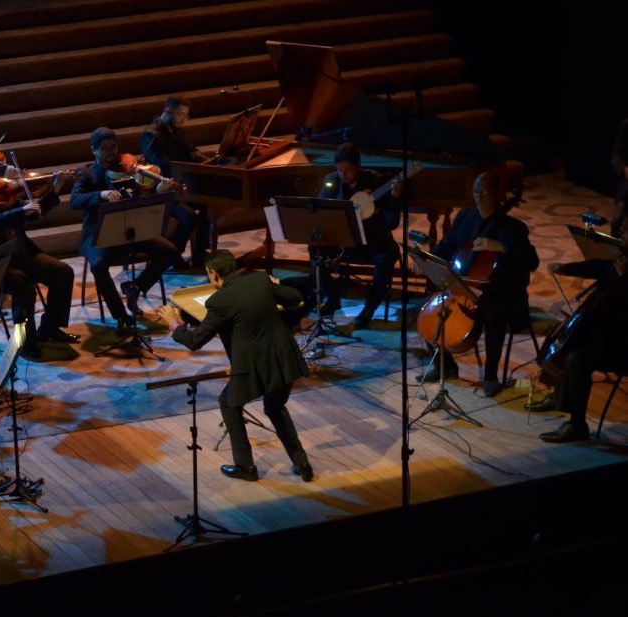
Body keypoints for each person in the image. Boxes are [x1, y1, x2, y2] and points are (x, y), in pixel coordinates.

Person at [157, 249, 314, 482]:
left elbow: (195, 340)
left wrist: (174, 323)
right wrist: (275, 285)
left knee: (229, 404)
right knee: (275, 407)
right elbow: (294, 298)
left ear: (213, 274)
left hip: (254, 367)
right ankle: (302, 464)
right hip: (284, 359)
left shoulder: (219, 301)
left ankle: (245, 467)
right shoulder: (260, 280)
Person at [414, 171, 540, 397]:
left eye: (484, 192)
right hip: (463, 287)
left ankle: (490, 376)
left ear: (497, 195)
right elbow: (447, 245)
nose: (479, 196)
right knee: (426, 310)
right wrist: (426, 260)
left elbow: (532, 261)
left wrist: (500, 247)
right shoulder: (465, 217)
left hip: (499, 292)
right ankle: (446, 366)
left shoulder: (513, 228)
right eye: (475, 191)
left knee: (494, 315)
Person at [0, 156, 77, 360]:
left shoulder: (3, 194)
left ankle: (49, 329)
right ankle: (25, 342)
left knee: (62, 272)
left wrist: (55, 189)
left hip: (21, 254)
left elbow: (32, 213)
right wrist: (19, 211)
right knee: (23, 285)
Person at [70, 127, 181, 336]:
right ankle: (121, 316)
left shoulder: (129, 169)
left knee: (169, 251)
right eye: (105, 149)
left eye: (113, 147)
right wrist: (100, 194)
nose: (111, 153)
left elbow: (141, 198)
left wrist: (158, 191)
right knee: (99, 265)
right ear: (94, 150)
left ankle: (136, 287)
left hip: (130, 230)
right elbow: (75, 201)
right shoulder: (86, 173)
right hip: (99, 235)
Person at [533, 242, 628, 443]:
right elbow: (601, 267)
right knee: (571, 336)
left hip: (623, 345)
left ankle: (578, 425)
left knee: (577, 358)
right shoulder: (623, 260)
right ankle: (559, 396)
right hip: (612, 335)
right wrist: (567, 268)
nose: (622, 235)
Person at [306, 142, 403, 329]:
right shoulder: (332, 181)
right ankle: (332, 297)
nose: (343, 174)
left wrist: (393, 199)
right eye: (339, 170)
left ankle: (369, 309)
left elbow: (392, 223)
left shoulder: (377, 182)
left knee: (386, 256)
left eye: (348, 170)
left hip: (372, 243)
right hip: (342, 243)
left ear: (358, 166)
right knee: (314, 248)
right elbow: (320, 213)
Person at [140, 95, 212, 268]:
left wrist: (210, 163)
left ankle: (200, 258)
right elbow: (162, 165)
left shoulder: (179, 132)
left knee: (206, 207)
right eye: (180, 114)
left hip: (179, 187)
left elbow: (192, 152)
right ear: (168, 111)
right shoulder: (150, 136)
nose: (183, 119)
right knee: (189, 217)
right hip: (160, 191)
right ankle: (170, 256)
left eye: (185, 115)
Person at [610, 116, 628, 239]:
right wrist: (625, 168)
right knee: (617, 219)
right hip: (627, 180)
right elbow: (616, 154)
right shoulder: (626, 125)